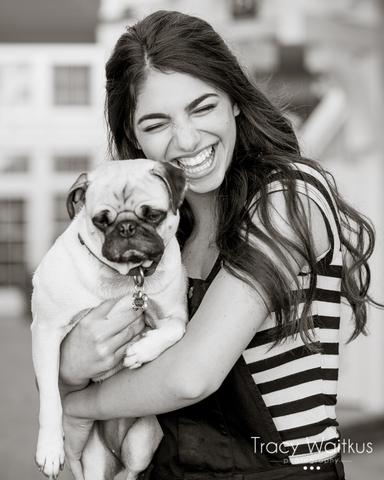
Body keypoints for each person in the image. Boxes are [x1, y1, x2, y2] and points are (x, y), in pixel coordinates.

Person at [59, 10, 378, 480]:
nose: (186, 140)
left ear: (234, 99)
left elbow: (192, 377)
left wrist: (79, 405)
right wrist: (68, 364)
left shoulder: (290, 197)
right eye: (156, 123)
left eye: (202, 107)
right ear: (133, 135)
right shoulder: (161, 227)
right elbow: (86, 348)